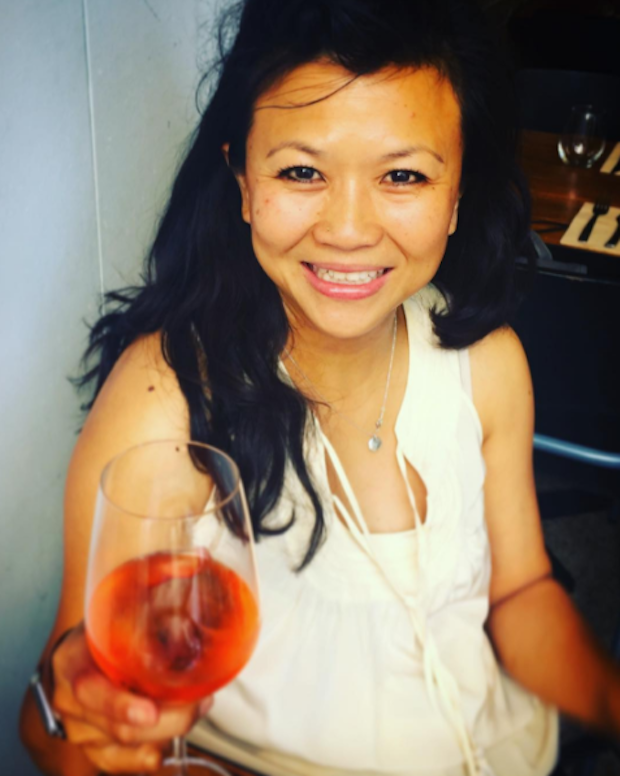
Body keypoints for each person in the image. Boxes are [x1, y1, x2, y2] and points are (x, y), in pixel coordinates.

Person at [19, 0, 620, 774]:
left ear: (458, 194)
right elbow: (66, 727)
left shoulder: (487, 362)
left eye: (403, 175)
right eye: (302, 172)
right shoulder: (168, 402)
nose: (347, 229)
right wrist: (80, 717)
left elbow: (522, 592)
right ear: (243, 181)